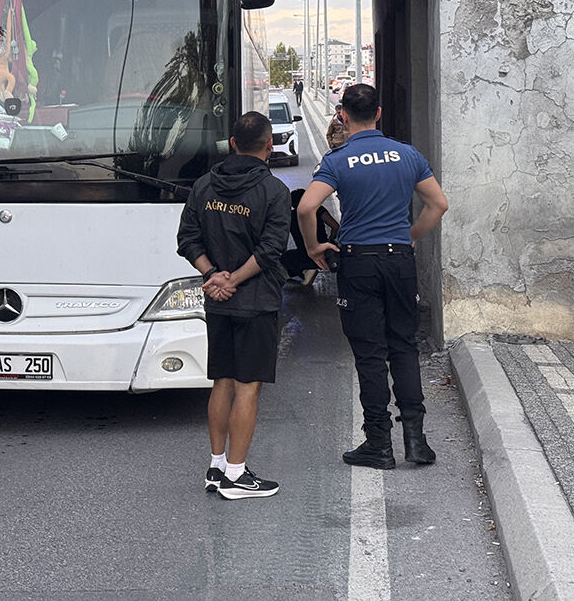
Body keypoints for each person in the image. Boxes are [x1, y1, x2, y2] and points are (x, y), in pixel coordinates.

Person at [296, 83, 449, 470]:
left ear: (343, 116)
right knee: (403, 345)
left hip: (359, 263)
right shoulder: (407, 154)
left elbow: (306, 207)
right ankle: (416, 441)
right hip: (399, 260)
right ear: (379, 113)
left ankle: (378, 443)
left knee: (369, 353)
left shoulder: (337, 159)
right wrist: (410, 237)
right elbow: (438, 204)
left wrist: (314, 249)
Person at [177, 111, 291, 499]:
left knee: (221, 382)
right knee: (248, 386)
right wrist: (235, 280)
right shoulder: (274, 191)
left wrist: (213, 276)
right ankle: (238, 476)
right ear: (268, 145)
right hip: (255, 302)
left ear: (233, 144)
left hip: (217, 304)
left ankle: (216, 464)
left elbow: (187, 238)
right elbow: (271, 250)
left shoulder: (204, 185)